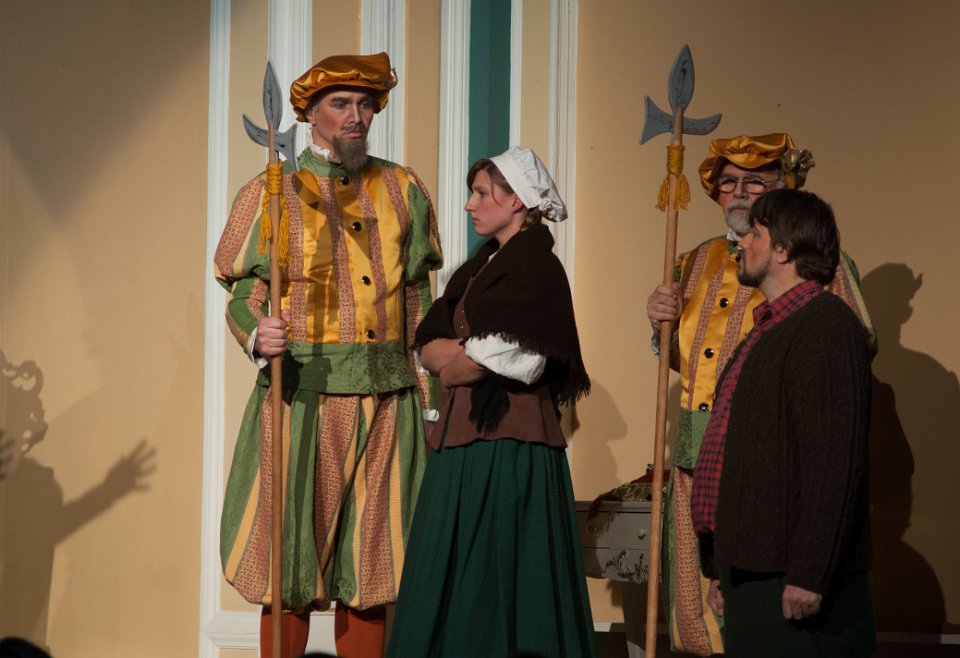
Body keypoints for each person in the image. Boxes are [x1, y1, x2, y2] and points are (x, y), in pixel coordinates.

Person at [213, 52, 442, 658]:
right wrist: (257, 335)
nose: (356, 116)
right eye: (340, 104)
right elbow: (244, 294)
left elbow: (418, 302)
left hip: (389, 398)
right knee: (291, 561)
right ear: (310, 115)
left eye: (366, 104)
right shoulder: (274, 191)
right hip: (303, 398)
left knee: (373, 563)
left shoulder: (404, 188)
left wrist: (432, 402)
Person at [645, 133, 874, 655]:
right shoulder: (693, 261)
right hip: (702, 461)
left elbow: (833, 429)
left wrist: (809, 570)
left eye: (754, 182)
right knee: (704, 614)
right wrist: (661, 326)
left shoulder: (819, 294)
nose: (740, 194)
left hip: (772, 466)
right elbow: (690, 360)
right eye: (729, 182)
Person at [386, 147, 595, 657]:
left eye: (481, 193)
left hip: (507, 448)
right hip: (462, 443)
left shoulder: (536, 269)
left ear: (517, 199)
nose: (470, 205)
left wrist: (453, 359)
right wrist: (454, 357)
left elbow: (505, 360)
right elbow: (429, 344)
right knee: (449, 572)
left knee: (498, 576)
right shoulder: (481, 268)